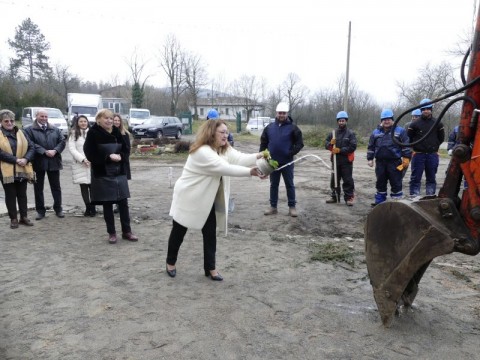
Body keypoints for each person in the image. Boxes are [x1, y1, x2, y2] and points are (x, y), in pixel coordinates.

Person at [166, 119, 266, 281]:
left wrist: (260, 155)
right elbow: (225, 168)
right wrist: (251, 172)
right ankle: (170, 262)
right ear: (211, 133)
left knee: (210, 233)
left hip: (207, 199)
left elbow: (239, 158)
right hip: (188, 198)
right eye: (222, 132)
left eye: (227, 132)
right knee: (179, 232)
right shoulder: (202, 151)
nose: (226, 135)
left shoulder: (223, 149)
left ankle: (210, 268)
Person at [83, 109, 138, 244]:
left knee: (123, 203)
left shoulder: (117, 131)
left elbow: (125, 149)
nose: (109, 121)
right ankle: (112, 233)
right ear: (99, 120)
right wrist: (107, 157)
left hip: (119, 172)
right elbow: (89, 153)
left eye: (111, 118)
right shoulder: (93, 133)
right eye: (106, 118)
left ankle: (127, 231)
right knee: (107, 204)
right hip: (103, 173)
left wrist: (121, 156)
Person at [260, 102, 304, 217]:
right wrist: (263, 155)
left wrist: (291, 153)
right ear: (276, 113)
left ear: (287, 114)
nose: (281, 115)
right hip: (272, 163)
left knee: (289, 184)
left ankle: (292, 207)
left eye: (284, 113)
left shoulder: (293, 128)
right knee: (273, 185)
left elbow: (300, 144)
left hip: (287, 162)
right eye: (280, 113)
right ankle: (273, 207)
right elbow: (263, 143)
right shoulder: (269, 128)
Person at [24, 108, 66, 220]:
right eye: (41, 116)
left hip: (54, 161)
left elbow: (62, 141)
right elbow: (30, 143)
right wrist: (44, 151)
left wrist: (55, 150)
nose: (44, 118)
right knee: (38, 188)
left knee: (56, 187)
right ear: (36, 116)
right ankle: (40, 211)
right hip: (38, 161)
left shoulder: (55, 129)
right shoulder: (29, 130)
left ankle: (58, 209)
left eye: (46, 116)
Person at [367, 109, 411, 206]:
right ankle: (379, 204)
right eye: (384, 119)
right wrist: (370, 159)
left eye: (388, 119)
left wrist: (406, 158)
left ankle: (396, 204)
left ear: (392, 120)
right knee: (380, 182)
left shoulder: (400, 131)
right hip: (380, 162)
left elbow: (406, 146)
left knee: (396, 183)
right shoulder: (376, 132)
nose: (386, 121)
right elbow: (371, 146)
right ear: (381, 121)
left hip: (395, 163)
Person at [0, 109, 36, 228]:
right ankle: (13, 218)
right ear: (1, 122)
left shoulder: (22, 133)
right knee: (10, 194)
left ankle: (24, 217)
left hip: (23, 167)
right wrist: (15, 160)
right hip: (6, 169)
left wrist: (26, 159)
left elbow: (31, 147)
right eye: (6, 121)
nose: (9, 123)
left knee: (22, 194)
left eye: (11, 120)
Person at [407, 98, 445, 197]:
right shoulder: (414, 124)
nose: (426, 111)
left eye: (428, 109)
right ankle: (414, 197)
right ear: (421, 110)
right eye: (423, 109)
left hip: (432, 154)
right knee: (415, 177)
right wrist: (414, 149)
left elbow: (441, 138)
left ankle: (430, 195)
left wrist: (434, 147)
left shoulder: (438, 123)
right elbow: (409, 138)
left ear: (431, 109)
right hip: (418, 154)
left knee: (431, 177)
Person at [325, 111, 357, 206]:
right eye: (340, 121)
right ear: (337, 121)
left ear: (346, 121)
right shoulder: (333, 133)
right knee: (334, 179)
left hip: (346, 161)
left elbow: (353, 146)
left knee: (347, 180)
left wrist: (340, 150)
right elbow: (326, 144)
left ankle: (349, 198)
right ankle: (334, 196)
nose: (341, 122)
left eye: (343, 121)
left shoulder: (350, 133)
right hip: (335, 161)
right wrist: (330, 143)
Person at [68, 115, 95, 216]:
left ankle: (93, 207)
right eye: (81, 121)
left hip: (92, 163)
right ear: (77, 123)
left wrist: (92, 159)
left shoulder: (92, 133)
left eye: (85, 121)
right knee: (83, 186)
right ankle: (88, 207)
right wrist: (82, 159)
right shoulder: (74, 134)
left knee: (92, 187)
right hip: (80, 163)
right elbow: (72, 148)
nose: (83, 123)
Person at [113, 113, 131, 213]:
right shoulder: (109, 133)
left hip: (122, 163)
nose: (116, 122)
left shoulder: (125, 134)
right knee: (114, 185)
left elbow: (127, 150)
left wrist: (121, 157)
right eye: (115, 120)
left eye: (118, 120)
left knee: (122, 185)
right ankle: (116, 204)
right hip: (112, 162)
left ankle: (123, 204)